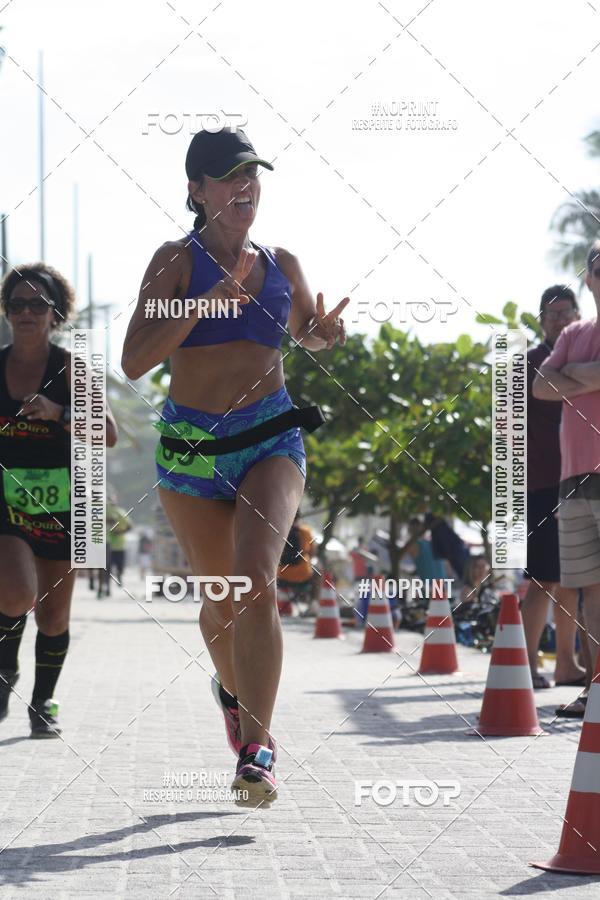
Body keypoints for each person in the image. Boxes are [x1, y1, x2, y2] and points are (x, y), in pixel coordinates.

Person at [121, 127, 348, 805]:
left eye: (253, 174)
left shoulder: (282, 261)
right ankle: (231, 693)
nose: (246, 186)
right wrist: (200, 306)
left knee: (255, 582)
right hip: (190, 448)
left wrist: (323, 336)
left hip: (269, 436)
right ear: (196, 190)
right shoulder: (175, 262)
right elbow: (134, 359)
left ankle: (258, 746)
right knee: (219, 606)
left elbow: (306, 329)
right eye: (229, 176)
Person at [0, 263, 117, 737]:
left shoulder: (73, 367)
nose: (27, 312)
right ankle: (6, 672)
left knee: (53, 614)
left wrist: (59, 412)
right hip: (7, 499)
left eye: (37, 304)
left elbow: (107, 432)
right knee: (16, 592)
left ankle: (43, 701)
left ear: (55, 313)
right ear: (8, 313)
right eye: (17, 304)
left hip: (65, 502)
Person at [533, 240, 600, 717]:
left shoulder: (568, 344)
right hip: (563, 481)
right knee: (580, 588)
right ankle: (591, 688)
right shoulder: (574, 334)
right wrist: (588, 372)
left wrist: (570, 374)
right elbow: (540, 385)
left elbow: (555, 381)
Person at [522, 285, 586, 690]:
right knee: (542, 579)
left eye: (567, 312)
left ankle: (567, 663)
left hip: (581, 477)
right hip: (542, 483)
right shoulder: (530, 363)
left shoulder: (585, 355)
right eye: (552, 314)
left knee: (573, 580)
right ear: (542, 321)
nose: (560, 319)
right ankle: (525, 663)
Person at [277, 513, 320, 612]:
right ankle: (313, 604)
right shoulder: (305, 531)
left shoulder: (280, 530)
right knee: (318, 573)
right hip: (303, 577)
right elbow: (313, 552)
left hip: (281, 577)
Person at [106, 493, 132, 587]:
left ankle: (118, 578)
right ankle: (107, 586)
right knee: (108, 567)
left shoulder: (120, 512)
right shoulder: (103, 511)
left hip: (118, 545)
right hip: (108, 544)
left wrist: (119, 532)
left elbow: (130, 526)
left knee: (117, 567)